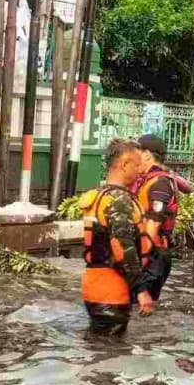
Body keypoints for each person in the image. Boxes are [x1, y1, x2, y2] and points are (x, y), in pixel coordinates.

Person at [78, 139, 156, 336]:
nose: (141, 170)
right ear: (124, 165)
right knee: (110, 351)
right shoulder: (118, 200)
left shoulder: (98, 195)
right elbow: (124, 248)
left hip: (93, 287)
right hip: (111, 291)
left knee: (98, 344)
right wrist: (140, 290)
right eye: (137, 165)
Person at [131, 134, 181, 302]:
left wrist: (140, 264)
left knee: (140, 305)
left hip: (152, 254)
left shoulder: (160, 183)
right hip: (146, 251)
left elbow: (152, 230)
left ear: (146, 154)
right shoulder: (146, 180)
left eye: (135, 152)